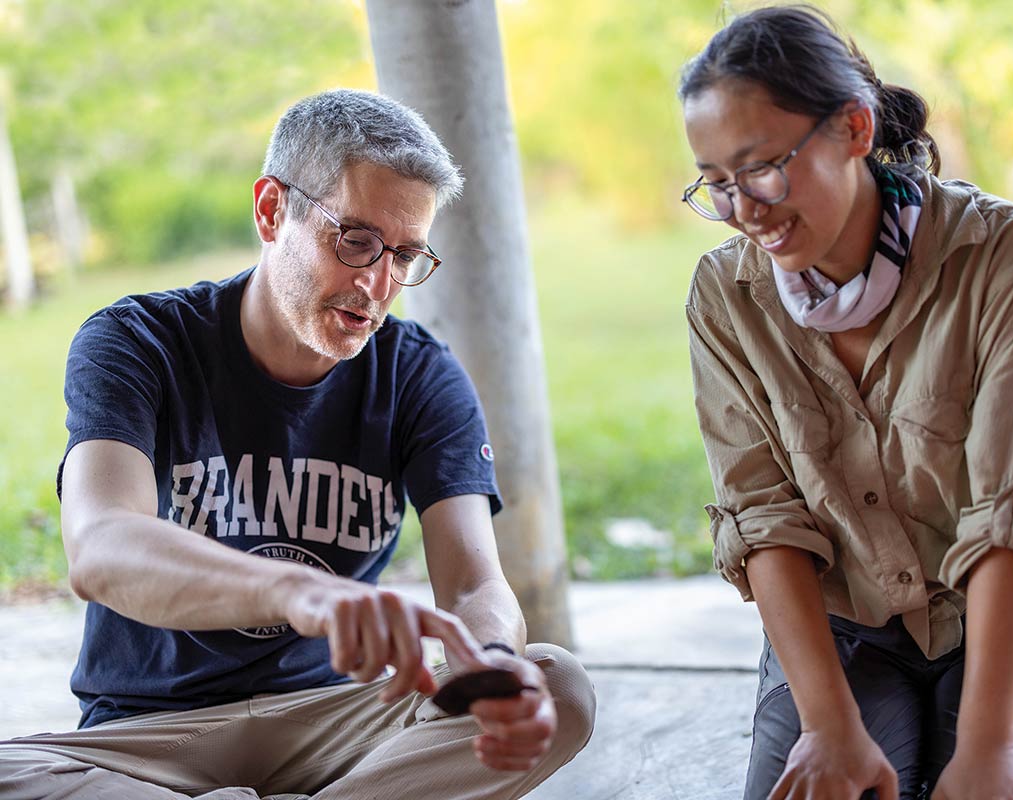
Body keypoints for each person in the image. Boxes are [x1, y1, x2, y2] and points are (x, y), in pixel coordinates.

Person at [0, 89, 595, 800]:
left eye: (405, 255)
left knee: (557, 685)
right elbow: (101, 546)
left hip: (336, 723)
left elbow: (472, 582)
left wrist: (491, 666)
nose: (376, 285)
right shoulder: (137, 342)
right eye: (355, 240)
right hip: (151, 734)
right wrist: (303, 593)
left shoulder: (419, 374)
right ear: (271, 210)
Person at [678, 6, 1013, 800]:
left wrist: (990, 747)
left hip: (1011, 609)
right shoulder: (724, 296)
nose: (747, 210)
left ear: (853, 127)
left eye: (763, 167)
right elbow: (764, 515)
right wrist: (828, 728)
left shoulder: (1003, 254)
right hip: (842, 624)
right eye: (718, 187)